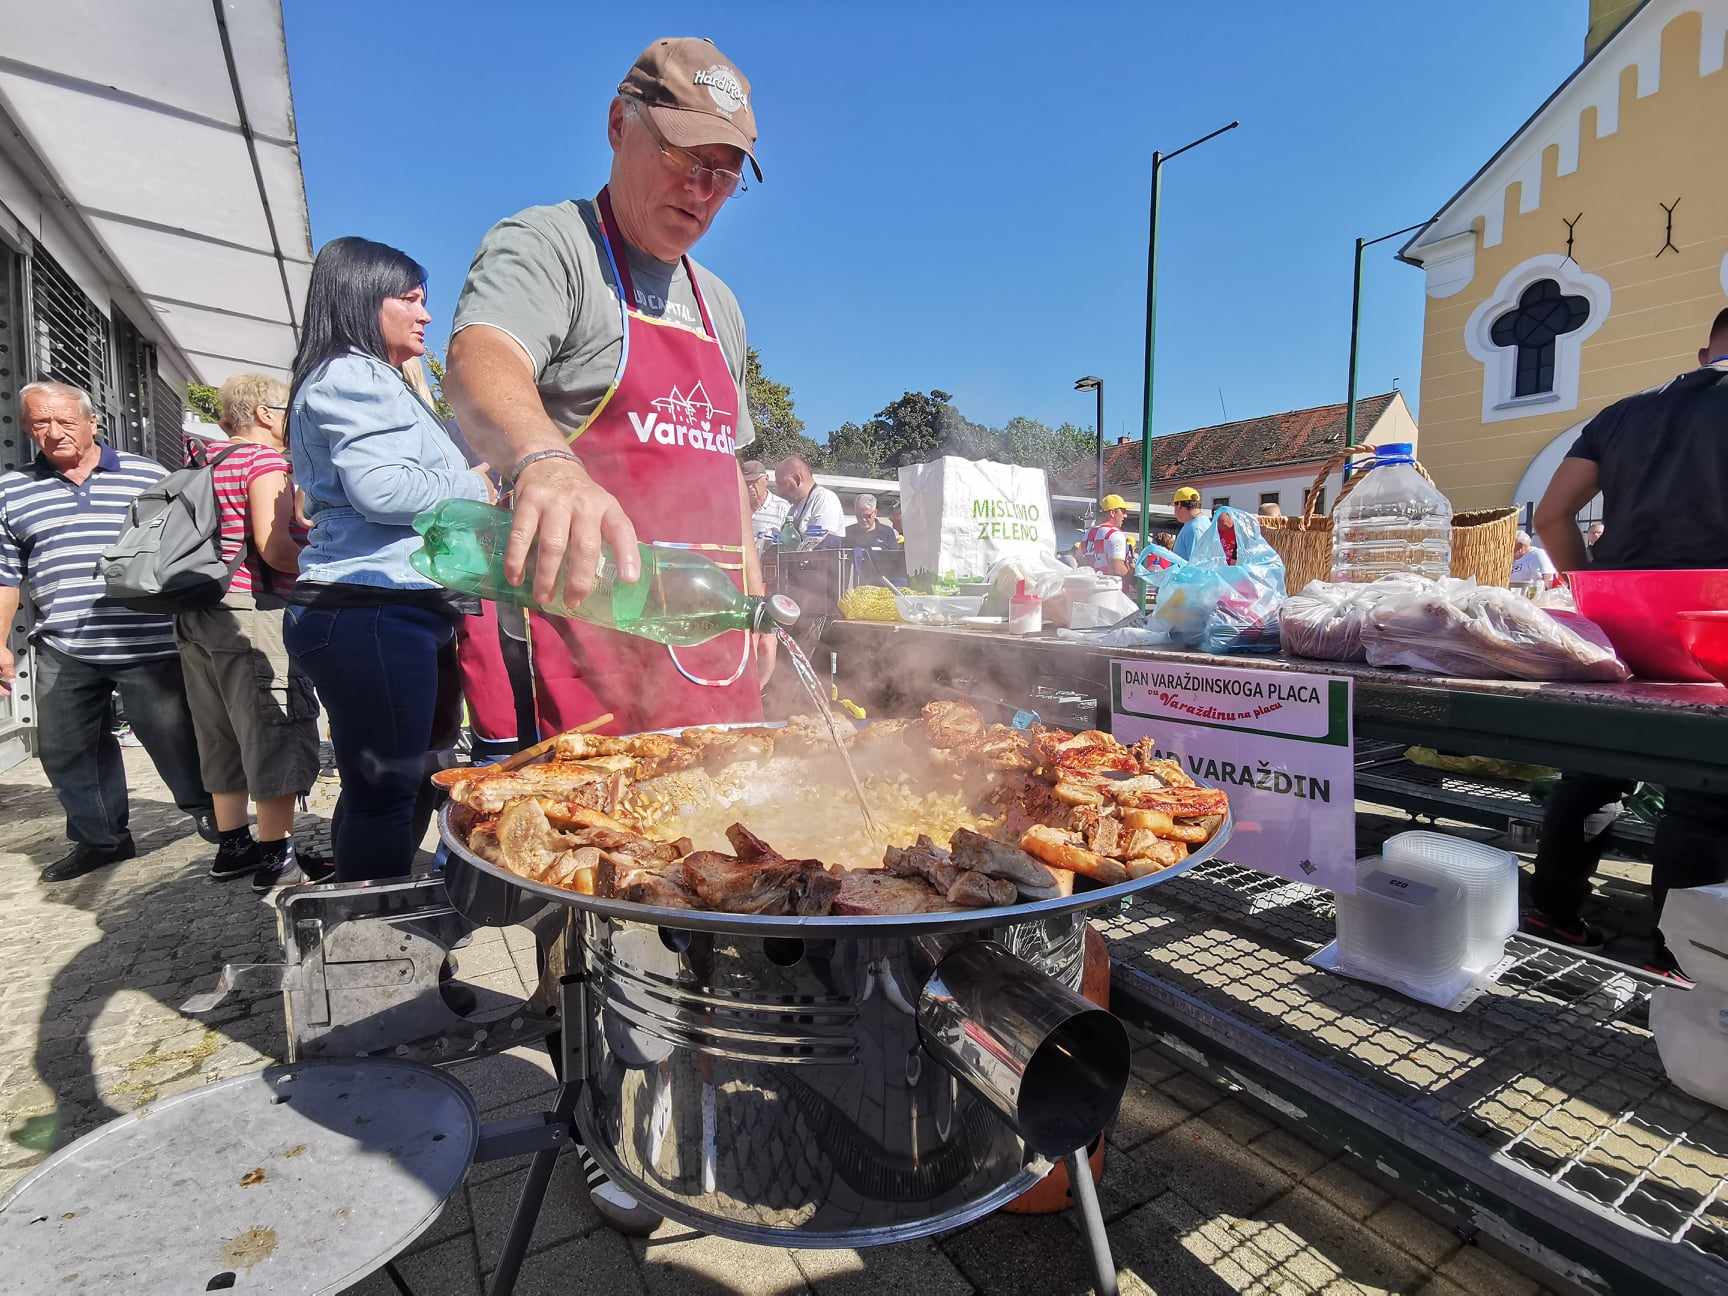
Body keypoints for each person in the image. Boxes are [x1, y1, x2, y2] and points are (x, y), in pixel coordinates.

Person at [446, 37, 775, 744]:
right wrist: (548, 463)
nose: (702, 190)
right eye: (685, 158)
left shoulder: (720, 304)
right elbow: (482, 355)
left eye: (724, 175)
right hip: (590, 648)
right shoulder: (550, 245)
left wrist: (754, 591)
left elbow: (722, 465)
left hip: (713, 648)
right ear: (620, 124)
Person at [282, 236, 495, 883]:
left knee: (401, 782)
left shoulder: (373, 376)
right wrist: (473, 488)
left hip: (391, 607)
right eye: (410, 299)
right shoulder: (351, 374)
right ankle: (372, 927)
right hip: (370, 606)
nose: (425, 314)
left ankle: (368, 907)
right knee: (388, 790)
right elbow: (382, 489)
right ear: (361, 298)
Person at [1526, 306, 1728, 980]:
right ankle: (1683, 967)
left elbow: (1552, 514)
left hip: (1629, 616)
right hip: (1717, 618)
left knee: (1596, 768)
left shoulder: (1624, 413)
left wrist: (1590, 587)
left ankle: (1552, 913)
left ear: (1704, 354)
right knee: (1705, 793)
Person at [0, 382, 216, 881]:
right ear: (26, 428)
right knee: (66, 748)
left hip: (149, 639)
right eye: (40, 423)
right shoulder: (12, 490)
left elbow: (185, 548)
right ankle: (102, 840)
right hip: (64, 643)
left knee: (177, 738)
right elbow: (6, 576)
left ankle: (215, 819)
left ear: (92, 422)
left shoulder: (146, 474)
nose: (53, 432)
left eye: (65, 421)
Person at [175, 374, 326, 891]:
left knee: (219, 731)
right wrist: (326, 563)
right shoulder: (263, 462)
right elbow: (274, 548)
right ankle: (277, 858)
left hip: (198, 613)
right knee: (273, 725)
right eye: (288, 410)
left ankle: (232, 845)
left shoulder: (203, 462)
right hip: (252, 613)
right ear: (264, 413)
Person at [775, 455, 845, 546]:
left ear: (797, 479)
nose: (779, 491)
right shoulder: (794, 507)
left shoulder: (824, 498)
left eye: (781, 484)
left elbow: (819, 543)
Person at [1079, 494, 1132, 579]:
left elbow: (1080, 561)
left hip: (1089, 584)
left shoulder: (1088, 533)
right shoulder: (1116, 534)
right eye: (1123, 511)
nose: (1125, 516)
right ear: (1112, 513)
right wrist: (1134, 575)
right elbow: (1117, 569)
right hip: (1108, 585)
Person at [742, 458, 788, 550]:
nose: (750, 486)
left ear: (766, 479)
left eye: (754, 481)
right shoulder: (737, 507)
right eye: (746, 483)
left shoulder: (782, 507)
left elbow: (789, 543)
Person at [1171, 486, 1212, 560]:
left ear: (1179, 505)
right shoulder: (1205, 522)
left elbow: (1195, 563)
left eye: (1174, 506)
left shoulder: (1194, 528)